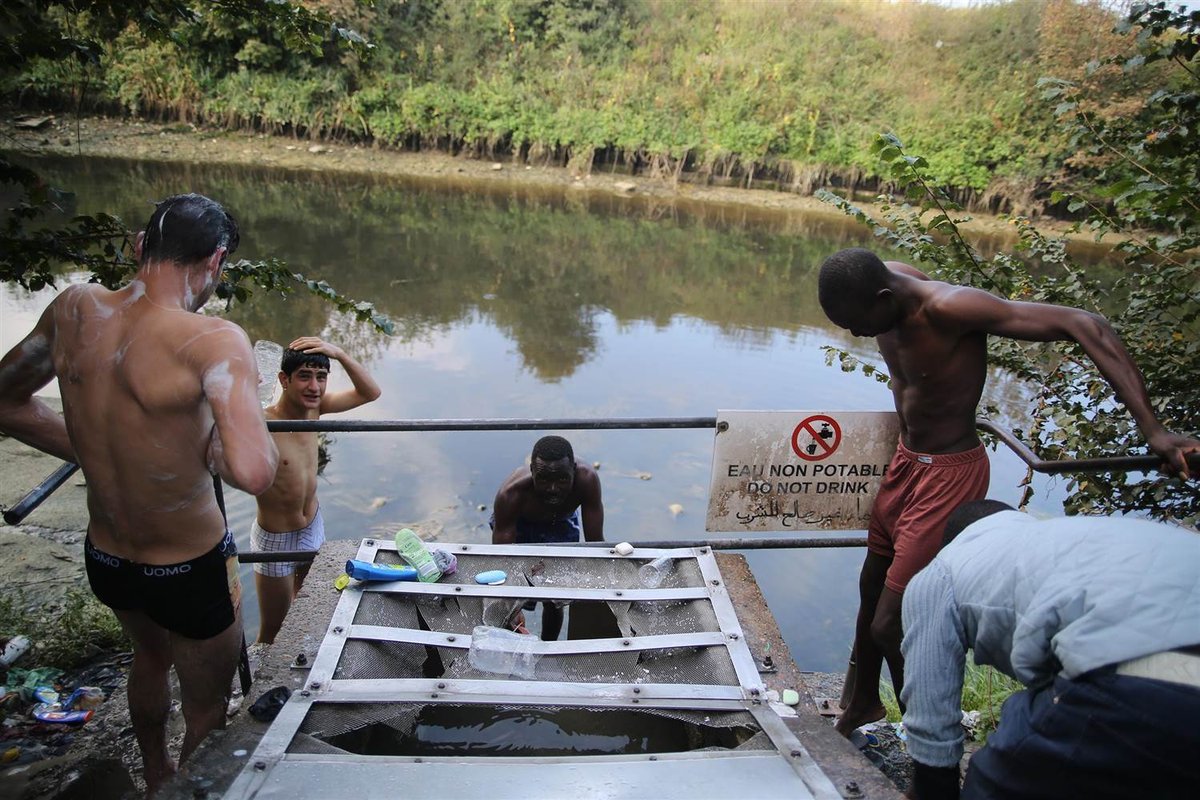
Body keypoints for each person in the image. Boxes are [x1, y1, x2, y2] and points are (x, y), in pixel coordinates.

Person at [817, 247, 1200, 737]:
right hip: (906, 463)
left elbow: (1085, 323)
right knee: (871, 589)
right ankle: (863, 703)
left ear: (885, 296)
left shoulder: (950, 308)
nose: (854, 334)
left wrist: (1156, 432)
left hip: (948, 476)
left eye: (856, 323)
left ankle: (929, 739)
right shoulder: (890, 283)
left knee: (891, 623)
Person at [0, 194, 278, 794]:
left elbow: (5, 399)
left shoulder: (74, 309)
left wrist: (98, 453)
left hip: (107, 556)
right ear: (216, 261)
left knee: (147, 660)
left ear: (137, 245)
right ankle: (184, 792)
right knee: (208, 705)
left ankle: (155, 776)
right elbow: (254, 472)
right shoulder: (212, 339)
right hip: (187, 567)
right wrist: (216, 437)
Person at [900, 500, 1200, 799]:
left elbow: (932, 727)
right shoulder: (1069, 535)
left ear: (949, 542)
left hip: (1140, 677)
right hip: (1173, 670)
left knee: (995, 782)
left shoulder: (942, 571)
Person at [252, 337, 380, 644]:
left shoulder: (316, 409)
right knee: (274, 628)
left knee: (312, 611)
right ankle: (258, 689)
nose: (314, 387)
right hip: (276, 538)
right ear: (284, 379)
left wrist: (339, 353)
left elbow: (370, 392)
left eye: (321, 377)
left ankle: (303, 671)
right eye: (304, 377)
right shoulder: (261, 421)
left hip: (312, 526)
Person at [491, 435, 604, 640]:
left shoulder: (587, 481)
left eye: (562, 479)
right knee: (511, 603)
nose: (553, 488)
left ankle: (548, 648)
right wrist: (510, 603)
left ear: (574, 470)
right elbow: (502, 558)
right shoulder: (511, 494)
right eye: (543, 479)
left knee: (554, 597)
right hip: (520, 528)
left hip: (560, 524)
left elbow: (596, 543)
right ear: (532, 471)